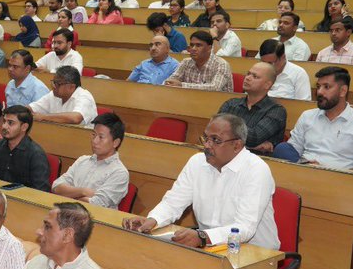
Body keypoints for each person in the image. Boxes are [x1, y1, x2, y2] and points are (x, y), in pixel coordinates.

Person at [124, 111, 279, 250]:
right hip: (208, 247)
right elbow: (173, 202)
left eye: (215, 140)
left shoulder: (256, 170)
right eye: (206, 138)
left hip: (255, 254)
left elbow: (244, 228)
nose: (206, 145)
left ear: (237, 145)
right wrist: (152, 220)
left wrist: (203, 237)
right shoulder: (197, 162)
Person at [274, 66, 353, 174]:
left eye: (326, 87)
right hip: (303, 172)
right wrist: (306, 166)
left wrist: (327, 173)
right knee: (282, 148)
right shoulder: (307, 116)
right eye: (318, 86)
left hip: (340, 180)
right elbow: (293, 149)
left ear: (343, 91)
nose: (319, 92)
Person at [52, 113, 130, 209]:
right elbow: (56, 186)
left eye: (101, 137)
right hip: (66, 213)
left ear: (115, 142)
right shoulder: (82, 160)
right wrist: (83, 191)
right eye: (93, 135)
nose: (94, 141)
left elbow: (96, 204)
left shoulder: (119, 172)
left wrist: (69, 194)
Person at [218, 63, 286, 153]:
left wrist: (226, 129)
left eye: (255, 76)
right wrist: (247, 145)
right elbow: (215, 128)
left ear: (267, 85)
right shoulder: (230, 104)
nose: (247, 78)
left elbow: (254, 138)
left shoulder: (276, 111)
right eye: (248, 74)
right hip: (225, 155)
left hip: (256, 159)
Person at [0, 105, 51, 191]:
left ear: (24, 127)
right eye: (4, 121)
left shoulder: (36, 155)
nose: (4, 126)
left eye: (10, 123)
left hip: (23, 198)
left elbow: (41, 190)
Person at [164, 30, 233, 92]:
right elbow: (171, 80)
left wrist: (182, 85)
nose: (193, 49)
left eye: (198, 45)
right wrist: (170, 83)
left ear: (209, 48)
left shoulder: (221, 64)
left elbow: (215, 88)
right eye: (192, 45)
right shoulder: (186, 62)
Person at [30, 66, 99, 126]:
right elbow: (32, 108)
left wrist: (43, 117)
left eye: (58, 84)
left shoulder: (84, 97)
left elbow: (75, 118)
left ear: (71, 87)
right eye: (53, 82)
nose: (54, 86)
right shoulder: (53, 95)